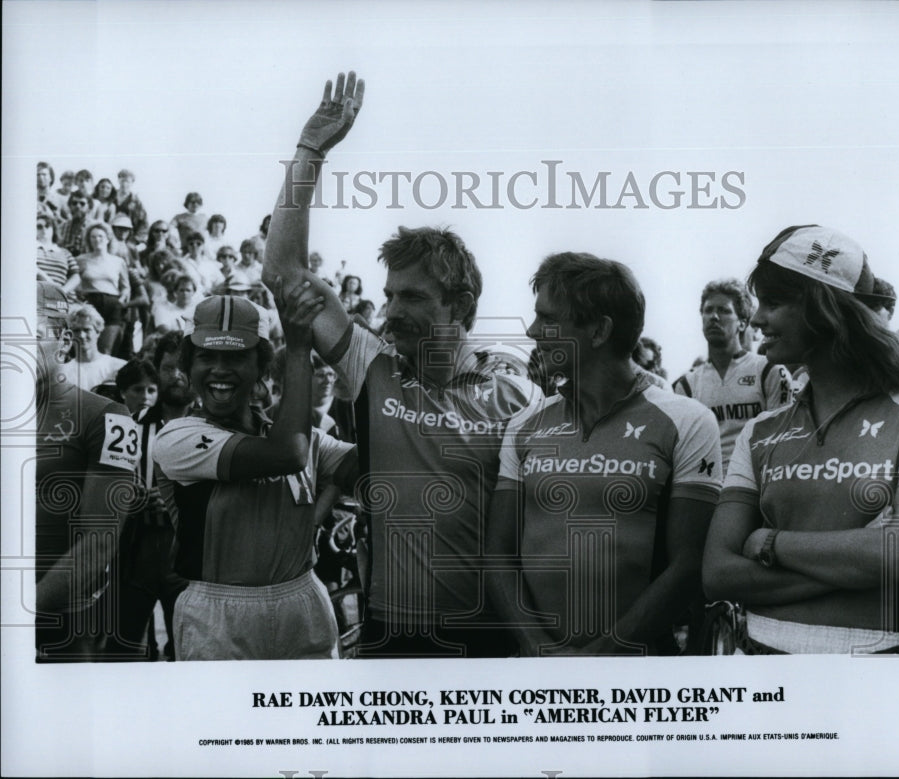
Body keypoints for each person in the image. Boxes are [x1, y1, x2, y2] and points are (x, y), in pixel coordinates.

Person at [262, 73, 539, 657]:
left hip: (493, 635)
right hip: (394, 632)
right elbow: (284, 273)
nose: (390, 312)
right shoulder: (374, 366)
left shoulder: (519, 398)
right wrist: (312, 149)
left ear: (461, 305)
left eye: (411, 298)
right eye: (388, 296)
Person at [702, 225, 899, 654]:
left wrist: (769, 542)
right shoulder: (760, 430)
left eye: (774, 303)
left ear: (825, 310)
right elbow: (717, 573)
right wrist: (857, 567)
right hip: (764, 671)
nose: (756, 319)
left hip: (881, 676)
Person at [489, 254, 722, 656]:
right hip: (540, 666)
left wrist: (601, 655)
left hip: (640, 667)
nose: (532, 332)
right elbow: (497, 553)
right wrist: (537, 648)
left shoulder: (687, 420)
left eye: (548, 320)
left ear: (598, 331)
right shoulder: (525, 423)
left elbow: (689, 563)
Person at [152, 291, 357, 660]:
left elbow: (366, 470)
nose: (219, 369)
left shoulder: (301, 437)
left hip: (304, 599)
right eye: (206, 356)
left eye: (235, 357)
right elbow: (288, 455)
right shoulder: (176, 437)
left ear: (261, 367)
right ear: (188, 365)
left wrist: (378, 377)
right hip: (218, 614)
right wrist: (297, 351)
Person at [35, 282, 140, 661]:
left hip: (60, 627)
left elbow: (99, 542)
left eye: (31, 335)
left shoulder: (111, 416)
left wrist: (19, 616)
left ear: (64, 340)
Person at [105, 331, 192, 661]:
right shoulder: (128, 424)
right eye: (169, 368)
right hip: (136, 548)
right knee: (125, 651)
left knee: (188, 652)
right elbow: (106, 487)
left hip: (191, 554)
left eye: (185, 367)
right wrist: (131, 498)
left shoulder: (214, 425)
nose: (177, 376)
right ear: (158, 371)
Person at [673, 278, 793, 474]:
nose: (714, 317)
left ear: (743, 323)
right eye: (708, 310)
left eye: (724, 310)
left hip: (755, 482)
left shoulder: (769, 371)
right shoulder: (686, 384)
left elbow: (781, 441)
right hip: (705, 483)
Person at [73, 223, 131, 355]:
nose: (97, 240)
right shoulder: (81, 259)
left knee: (106, 349)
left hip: (112, 304)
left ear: (108, 238)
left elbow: (125, 287)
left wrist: (121, 301)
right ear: (89, 240)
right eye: (93, 237)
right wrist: (78, 296)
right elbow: (74, 280)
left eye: (100, 236)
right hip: (91, 303)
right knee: (87, 348)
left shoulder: (118, 261)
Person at [60, 304, 127, 391]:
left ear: (98, 332)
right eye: (76, 330)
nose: (82, 335)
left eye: (87, 330)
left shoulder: (118, 367)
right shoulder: (62, 372)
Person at [36, 213, 79, 290]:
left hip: (61, 296)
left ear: (54, 229)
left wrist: (63, 292)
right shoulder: (29, 249)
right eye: (39, 227)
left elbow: (75, 276)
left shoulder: (64, 252)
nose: (44, 229)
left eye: (47, 226)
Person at [115, 170, 149, 245]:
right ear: (118, 181)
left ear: (132, 183)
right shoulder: (111, 196)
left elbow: (143, 223)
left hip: (128, 236)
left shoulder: (136, 202)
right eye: (122, 180)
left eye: (127, 181)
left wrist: (137, 239)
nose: (124, 184)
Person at [58, 190, 96, 257]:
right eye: (74, 203)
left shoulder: (95, 228)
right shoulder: (62, 227)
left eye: (82, 203)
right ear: (69, 206)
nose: (78, 206)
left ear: (89, 207)